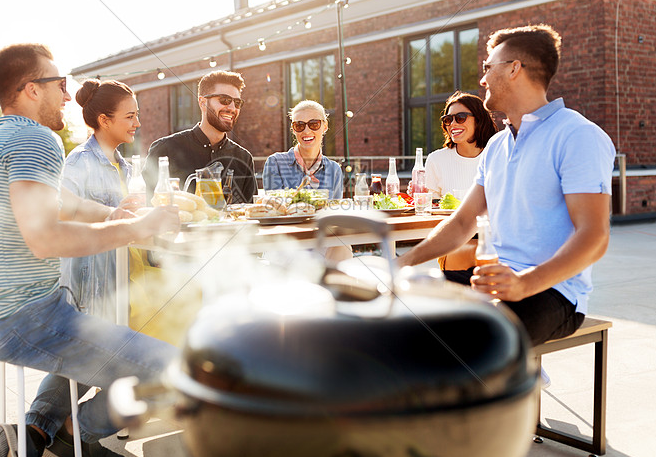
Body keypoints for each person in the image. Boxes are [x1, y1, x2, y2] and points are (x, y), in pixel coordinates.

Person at [0, 43, 180, 457]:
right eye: (59, 84)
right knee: (175, 371)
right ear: (30, 90)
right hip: (21, 318)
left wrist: (114, 213)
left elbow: (67, 204)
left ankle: (32, 435)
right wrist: (134, 230)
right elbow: (43, 238)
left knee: (93, 322)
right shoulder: (36, 137)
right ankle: (78, 431)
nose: (66, 94)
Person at [397, 24, 615, 347]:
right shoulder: (497, 146)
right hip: (495, 283)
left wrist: (524, 284)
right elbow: (461, 222)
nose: (482, 79)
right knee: (403, 322)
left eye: (488, 67)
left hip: (552, 293)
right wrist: (402, 262)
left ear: (514, 69)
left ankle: (511, 379)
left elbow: (595, 237)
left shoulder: (577, 135)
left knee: (463, 346)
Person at [61, 79, 141, 321]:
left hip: (120, 284)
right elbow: (63, 215)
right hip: (90, 293)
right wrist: (112, 213)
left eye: (136, 115)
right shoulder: (78, 162)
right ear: (104, 120)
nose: (137, 123)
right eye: (129, 117)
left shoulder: (126, 167)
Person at [408, 91, 497, 269]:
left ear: (479, 119)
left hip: (495, 239)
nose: (453, 124)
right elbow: (428, 210)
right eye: (448, 120)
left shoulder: (497, 154)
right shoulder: (436, 160)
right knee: (463, 252)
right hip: (454, 242)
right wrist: (419, 198)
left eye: (461, 117)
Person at [143, 70, 257, 204]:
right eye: (224, 100)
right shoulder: (164, 150)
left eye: (237, 103)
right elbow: (150, 208)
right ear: (202, 103)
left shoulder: (244, 158)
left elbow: (251, 215)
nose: (232, 108)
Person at [262, 99, 344, 198]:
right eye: (299, 125)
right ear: (293, 129)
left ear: (325, 126)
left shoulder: (334, 169)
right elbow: (276, 208)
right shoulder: (275, 163)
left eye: (314, 124)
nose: (306, 131)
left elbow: (334, 210)